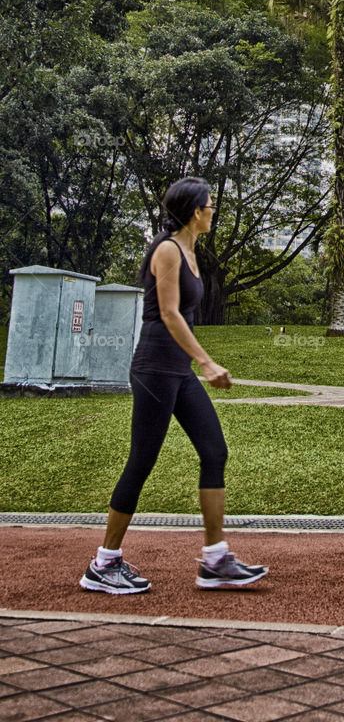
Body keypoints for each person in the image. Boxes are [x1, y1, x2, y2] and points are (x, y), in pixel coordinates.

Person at [80, 177, 269, 594]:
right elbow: (168, 313)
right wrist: (206, 361)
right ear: (194, 211)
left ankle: (215, 559)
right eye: (210, 205)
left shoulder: (191, 250)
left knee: (214, 450)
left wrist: (192, 364)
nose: (214, 210)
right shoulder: (167, 250)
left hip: (177, 370)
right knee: (142, 460)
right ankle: (103, 563)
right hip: (154, 369)